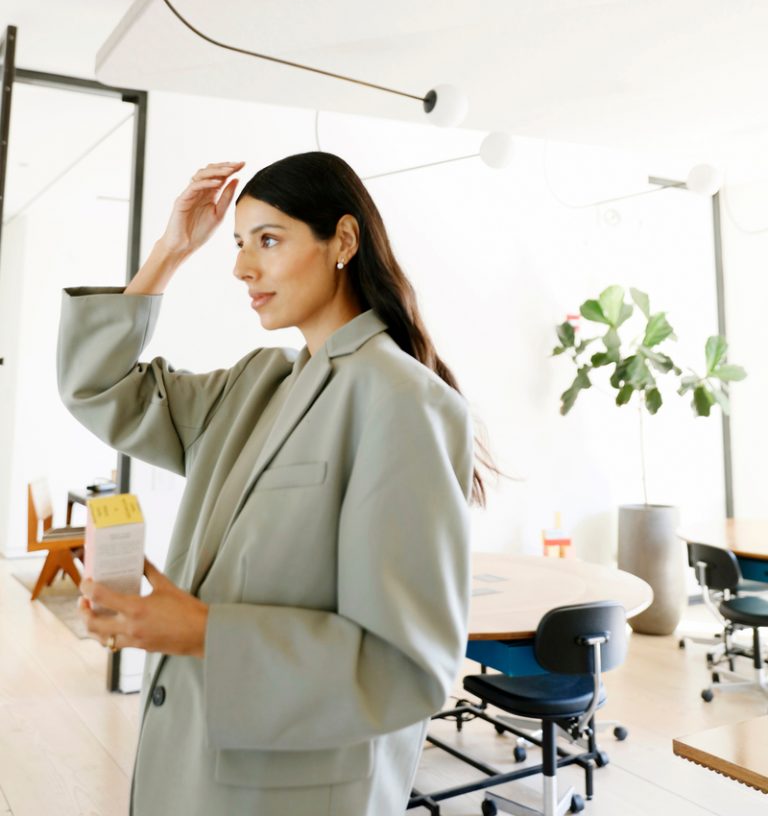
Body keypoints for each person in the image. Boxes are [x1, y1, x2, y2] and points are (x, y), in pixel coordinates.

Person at [57, 152, 481, 816]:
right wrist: (170, 251)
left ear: (342, 240)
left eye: (269, 240)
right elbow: (98, 387)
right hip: (198, 767)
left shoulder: (402, 402)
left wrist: (200, 631)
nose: (241, 268)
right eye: (238, 243)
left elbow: (407, 669)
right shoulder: (254, 386)